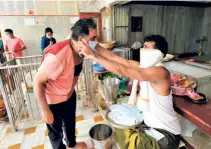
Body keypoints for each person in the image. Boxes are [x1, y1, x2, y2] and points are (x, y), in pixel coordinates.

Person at [79, 34, 181, 149]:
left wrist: (93, 56)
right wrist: (93, 44)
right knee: (122, 130)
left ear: (159, 53)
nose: (143, 50)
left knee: (131, 141)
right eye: (143, 47)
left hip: (165, 135)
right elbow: (115, 58)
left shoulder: (161, 72)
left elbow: (122, 70)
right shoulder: (144, 67)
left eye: (147, 47)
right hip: (149, 125)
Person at [34, 18, 103, 149]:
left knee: (70, 122)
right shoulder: (57, 56)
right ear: (81, 39)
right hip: (53, 100)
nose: (96, 42)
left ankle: (71, 144)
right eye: (93, 38)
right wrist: (45, 110)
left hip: (69, 94)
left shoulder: (80, 49)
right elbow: (37, 81)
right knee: (55, 131)